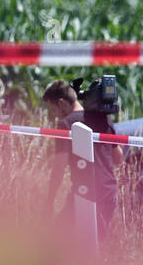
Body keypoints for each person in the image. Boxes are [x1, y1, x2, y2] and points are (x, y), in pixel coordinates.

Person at [41, 78, 119, 233]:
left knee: (57, 239)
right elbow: (118, 157)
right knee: (95, 244)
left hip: (85, 194)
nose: (55, 115)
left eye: (53, 109)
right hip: (108, 193)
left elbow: (59, 167)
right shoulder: (104, 119)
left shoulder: (67, 124)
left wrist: (49, 200)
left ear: (62, 103)